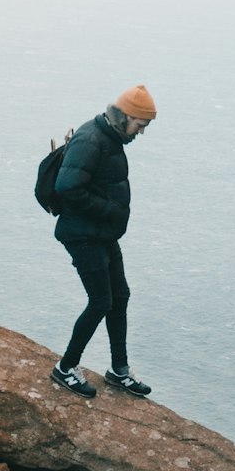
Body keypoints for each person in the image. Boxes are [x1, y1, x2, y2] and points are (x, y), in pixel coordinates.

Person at [49, 84, 156, 398]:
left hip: (101, 233)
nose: (141, 132)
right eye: (140, 125)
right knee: (101, 302)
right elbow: (68, 186)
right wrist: (109, 211)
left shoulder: (109, 138)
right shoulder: (91, 140)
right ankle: (65, 367)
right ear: (124, 117)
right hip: (82, 235)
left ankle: (118, 371)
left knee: (120, 296)